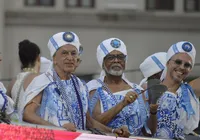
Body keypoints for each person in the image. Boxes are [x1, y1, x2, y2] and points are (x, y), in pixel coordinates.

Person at [22, 32, 129, 137]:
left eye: (73, 53)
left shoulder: (80, 85)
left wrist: (113, 131)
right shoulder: (43, 81)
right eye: (64, 53)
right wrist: (58, 130)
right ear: (54, 59)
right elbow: (28, 114)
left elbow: (89, 122)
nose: (70, 58)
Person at [87, 38, 158, 136]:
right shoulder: (94, 89)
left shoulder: (138, 90)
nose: (116, 60)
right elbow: (93, 123)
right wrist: (123, 104)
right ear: (102, 63)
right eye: (110, 57)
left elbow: (149, 131)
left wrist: (153, 112)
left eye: (120, 57)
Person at [155, 41, 199, 139]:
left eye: (187, 65)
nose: (182, 67)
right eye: (178, 62)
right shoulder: (150, 89)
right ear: (167, 63)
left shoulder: (190, 92)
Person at [7, 40, 41, 121]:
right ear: (38, 58)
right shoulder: (40, 79)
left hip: (16, 128)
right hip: (34, 128)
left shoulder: (13, 81)